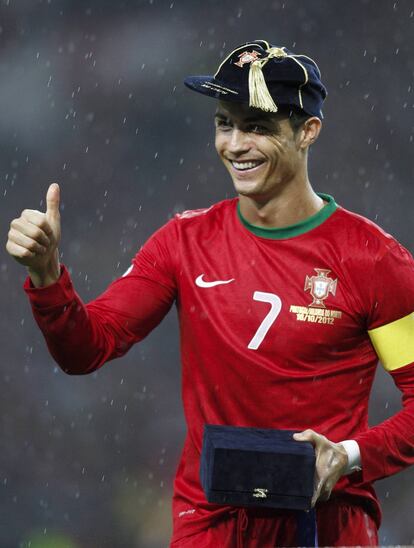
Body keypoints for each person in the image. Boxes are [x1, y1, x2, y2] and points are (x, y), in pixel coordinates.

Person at [6, 39, 414, 547]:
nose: (236, 144)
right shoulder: (183, 242)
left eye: (258, 128)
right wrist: (47, 276)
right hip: (210, 527)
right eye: (226, 123)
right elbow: (86, 349)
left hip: (325, 527)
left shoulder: (373, 260)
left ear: (308, 131)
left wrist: (348, 455)